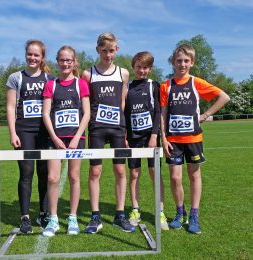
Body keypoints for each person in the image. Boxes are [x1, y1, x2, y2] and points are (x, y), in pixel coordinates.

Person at [160, 44, 230, 234]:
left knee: (194, 176)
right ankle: (179, 212)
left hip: (193, 139)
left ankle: (194, 215)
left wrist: (205, 115)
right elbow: (163, 114)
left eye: (186, 61)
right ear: (173, 62)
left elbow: (224, 97)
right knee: (175, 178)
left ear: (192, 62)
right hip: (173, 140)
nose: (182, 64)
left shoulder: (196, 82)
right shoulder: (166, 85)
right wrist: (163, 138)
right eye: (178, 61)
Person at [82, 32, 135, 233]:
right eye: (104, 50)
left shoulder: (123, 73)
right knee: (95, 171)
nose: (108, 54)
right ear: (97, 50)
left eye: (111, 50)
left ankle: (119, 214)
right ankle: (95, 216)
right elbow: (85, 102)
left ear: (117, 50)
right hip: (97, 128)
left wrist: (124, 130)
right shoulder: (88, 74)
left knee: (120, 170)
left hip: (117, 128)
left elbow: (122, 103)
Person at [6, 39, 54, 234]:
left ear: (42, 57)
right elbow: (10, 107)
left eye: (36, 55)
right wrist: (12, 132)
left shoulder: (50, 79)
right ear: (26, 55)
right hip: (23, 131)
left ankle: (43, 213)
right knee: (26, 173)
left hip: (44, 132)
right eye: (30, 54)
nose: (32, 57)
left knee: (44, 173)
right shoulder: (15, 77)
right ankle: (24, 217)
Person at [42, 46, 90, 237]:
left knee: (74, 177)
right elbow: (46, 113)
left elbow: (86, 113)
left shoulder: (81, 84)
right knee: (52, 178)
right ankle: (53, 219)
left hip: (76, 138)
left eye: (69, 60)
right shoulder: (51, 84)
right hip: (55, 138)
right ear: (57, 61)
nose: (65, 63)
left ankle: (72, 217)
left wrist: (77, 137)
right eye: (62, 60)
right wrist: (54, 137)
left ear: (74, 62)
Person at [124, 51, 169, 230]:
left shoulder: (153, 85)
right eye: (139, 67)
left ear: (150, 69)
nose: (142, 71)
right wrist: (126, 135)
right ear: (133, 66)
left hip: (150, 137)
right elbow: (125, 113)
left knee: (154, 172)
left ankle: (160, 211)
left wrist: (154, 135)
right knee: (134, 173)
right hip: (133, 137)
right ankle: (135, 209)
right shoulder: (127, 86)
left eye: (145, 67)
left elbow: (158, 112)